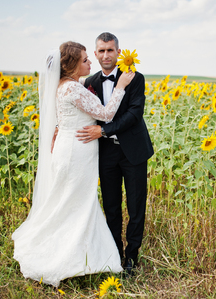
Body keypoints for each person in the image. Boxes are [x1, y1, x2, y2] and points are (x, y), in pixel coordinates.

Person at [11, 41, 135, 287]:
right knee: (76, 202)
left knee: (69, 200)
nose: (90, 62)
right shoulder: (73, 89)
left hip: (71, 147)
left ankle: (80, 252)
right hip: (77, 152)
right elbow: (106, 115)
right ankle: (68, 257)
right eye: (85, 59)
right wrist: (120, 86)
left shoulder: (64, 86)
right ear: (71, 65)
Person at [76, 32, 154, 275]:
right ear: (96, 53)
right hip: (106, 153)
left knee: (136, 206)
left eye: (110, 50)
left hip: (133, 152)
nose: (106, 55)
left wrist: (104, 130)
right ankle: (115, 255)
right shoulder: (89, 82)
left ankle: (132, 258)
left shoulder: (135, 77)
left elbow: (134, 114)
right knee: (111, 207)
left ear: (119, 52)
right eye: (101, 51)